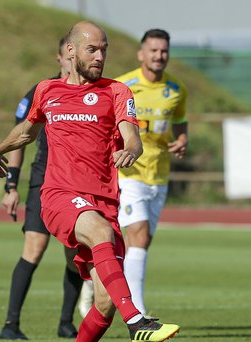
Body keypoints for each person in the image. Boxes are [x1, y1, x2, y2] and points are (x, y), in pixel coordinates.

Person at [0, 21, 180, 342]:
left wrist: (131, 150)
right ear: (71, 52)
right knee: (99, 233)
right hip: (58, 195)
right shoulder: (48, 90)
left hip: (103, 200)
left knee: (105, 302)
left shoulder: (117, 91)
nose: (101, 56)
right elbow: (28, 131)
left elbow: (132, 138)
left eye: (104, 49)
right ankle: (137, 321)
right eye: (93, 49)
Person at [78, 29, 188, 317]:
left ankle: (96, 278)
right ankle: (137, 311)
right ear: (141, 54)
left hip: (158, 174)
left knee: (139, 240)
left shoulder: (176, 90)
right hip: (128, 172)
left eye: (163, 51)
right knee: (137, 235)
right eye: (153, 50)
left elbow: (180, 121)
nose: (158, 56)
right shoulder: (122, 85)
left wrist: (182, 139)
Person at [0, 36, 83, 341]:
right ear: (59, 58)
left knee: (75, 256)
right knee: (34, 248)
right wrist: (11, 185)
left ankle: (65, 322)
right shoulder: (42, 90)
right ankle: (10, 325)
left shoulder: (92, 93)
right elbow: (21, 137)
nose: (72, 63)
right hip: (42, 182)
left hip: (76, 185)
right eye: (67, 58)